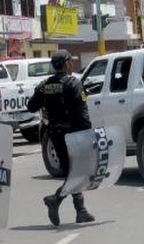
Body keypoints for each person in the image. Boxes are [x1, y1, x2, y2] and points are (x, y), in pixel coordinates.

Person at [27, 49, 96, 226]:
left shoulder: (44, 85)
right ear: (66, 64)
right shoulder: (73, 84)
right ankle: (56, 200)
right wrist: (88, 136)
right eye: (70, 62)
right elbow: (82, 115)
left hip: (55, 135)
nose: (72, 65)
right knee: (77, 171)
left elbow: (31, 107)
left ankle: (80, 210)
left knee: (72, 171)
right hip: (73, 135)